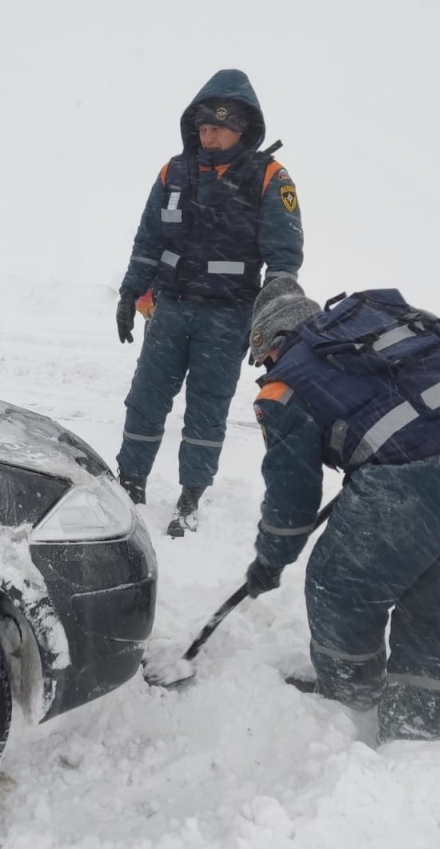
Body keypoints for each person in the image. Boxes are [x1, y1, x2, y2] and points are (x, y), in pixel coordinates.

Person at [241, 277, 440, 743]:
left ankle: (348, 696)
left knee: (338, 582)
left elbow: (292, 495)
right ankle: (422, 724)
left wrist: (270, 560)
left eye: (263, 360)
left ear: (274, 342)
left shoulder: (285, 384)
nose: (267, 368)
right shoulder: (383, 326)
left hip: (424, 475)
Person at [114, 68, 304, 538]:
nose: (208, 135)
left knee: (207, 407)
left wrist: (273, 321)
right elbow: (149, 239)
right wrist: (127, 291)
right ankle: (130, 484)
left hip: (228, 315)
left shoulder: (270, 177)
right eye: (202, 126)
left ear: (242, 129)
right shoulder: (172, 172)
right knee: (145, 399)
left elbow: (284, 259)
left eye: (218, 127)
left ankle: (190, 498)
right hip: (170, 308)